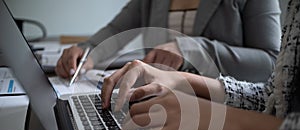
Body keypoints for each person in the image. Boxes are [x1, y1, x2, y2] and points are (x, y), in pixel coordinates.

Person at [100, 0, 300, 130]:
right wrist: (182, 80)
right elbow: (276, 95)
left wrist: (222, 119)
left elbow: (271, 65)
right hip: (173, 108)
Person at [55, 0, 281, 82]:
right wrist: (88, 52)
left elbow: (270, 64)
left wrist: (194, 48)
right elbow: (116, 30)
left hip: (224, 113)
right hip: (158, 105)